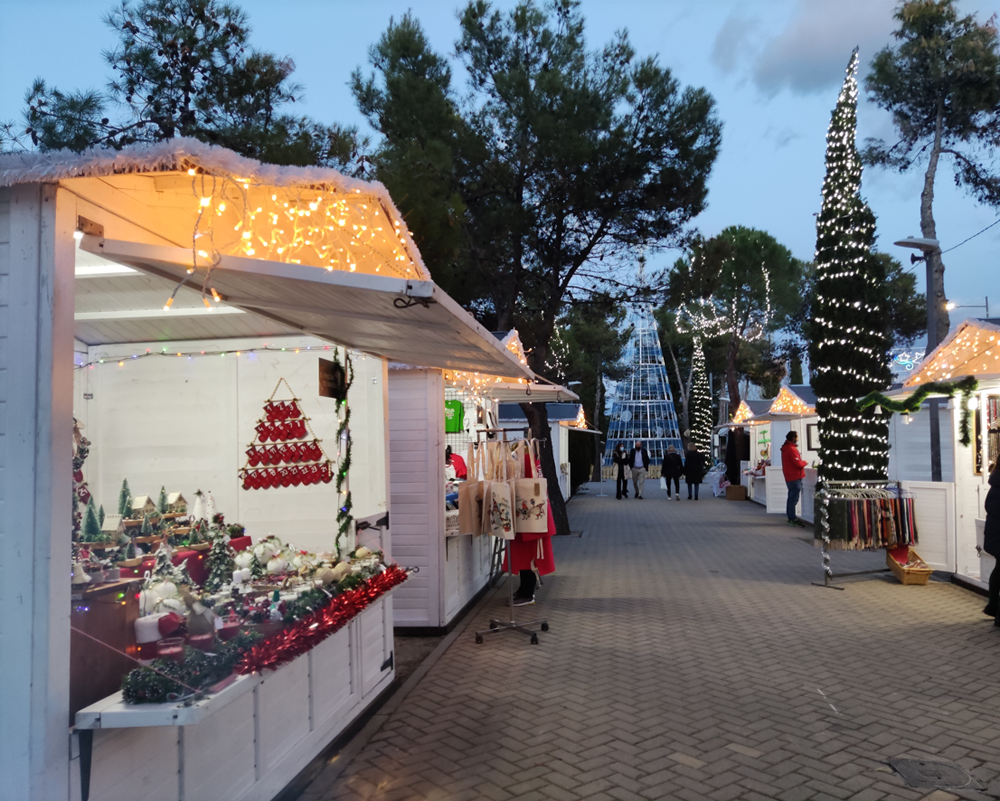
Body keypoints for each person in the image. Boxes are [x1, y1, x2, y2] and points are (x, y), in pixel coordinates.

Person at [983, 462, 1000, 624]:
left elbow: (989, 507)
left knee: (998, 571)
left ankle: (993, 607)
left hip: (994, 535)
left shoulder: (995, 483)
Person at [780, 431, 808, 527]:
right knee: (793, 499)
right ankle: (792, 518)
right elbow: (798, 463)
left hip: (789, 476)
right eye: (797, 437)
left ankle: (790, 516)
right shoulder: (791, 449)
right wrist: (805, 462)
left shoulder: (786, 449)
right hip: (795, 476)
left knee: (791, 498)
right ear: (793, 438)